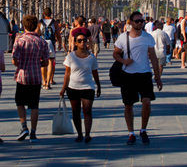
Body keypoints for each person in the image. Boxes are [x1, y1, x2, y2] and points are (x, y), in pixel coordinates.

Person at [113, 11, 163, 145]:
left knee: (146, 101)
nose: (140, 23)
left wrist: (158, 77)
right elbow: (116, 54)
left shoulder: (148, 37)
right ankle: (131, 133)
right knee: (128, 105)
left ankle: (143, 129)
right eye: (137, 21)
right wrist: (124, 62)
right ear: (130, 23)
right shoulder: (123, 38)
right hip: (128, 75)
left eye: (142, 21)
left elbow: (153, 58)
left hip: (144, 74)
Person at [13, 15, 49, 143]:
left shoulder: (19, 40)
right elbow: (45, 63)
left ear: (24, 26)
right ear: (36, 26)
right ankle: (33, 133)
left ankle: (24, 127)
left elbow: (14, 60)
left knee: (20, 102)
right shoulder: (42, 42)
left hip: (22, 76)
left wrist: (22, 63)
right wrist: (35, 63)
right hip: (36, 77)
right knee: (34, 105)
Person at [60, 33, 101, 143]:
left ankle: (87, 134)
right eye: (80, 40)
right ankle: (79, 134)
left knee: (87, 111)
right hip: (73, 87)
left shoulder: (91, 57)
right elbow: (67, 73)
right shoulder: (71, 56)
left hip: (88, 87)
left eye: (84, 40)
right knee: (75, 111)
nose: (83, 42)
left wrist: (99, 86)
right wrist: (63, 89)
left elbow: (95, 72)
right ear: (76, 43)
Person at [38, 8, 62, 89]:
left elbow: (37, 34)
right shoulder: (54, 23)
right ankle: (48, 82)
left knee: (43, 62)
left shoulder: (40, 22)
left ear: (44, 13)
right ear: (51, 13)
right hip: (51, 44)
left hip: (42, 43)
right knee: (50, 62)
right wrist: (60, 44)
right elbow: (58, 34)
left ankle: (44, 81)